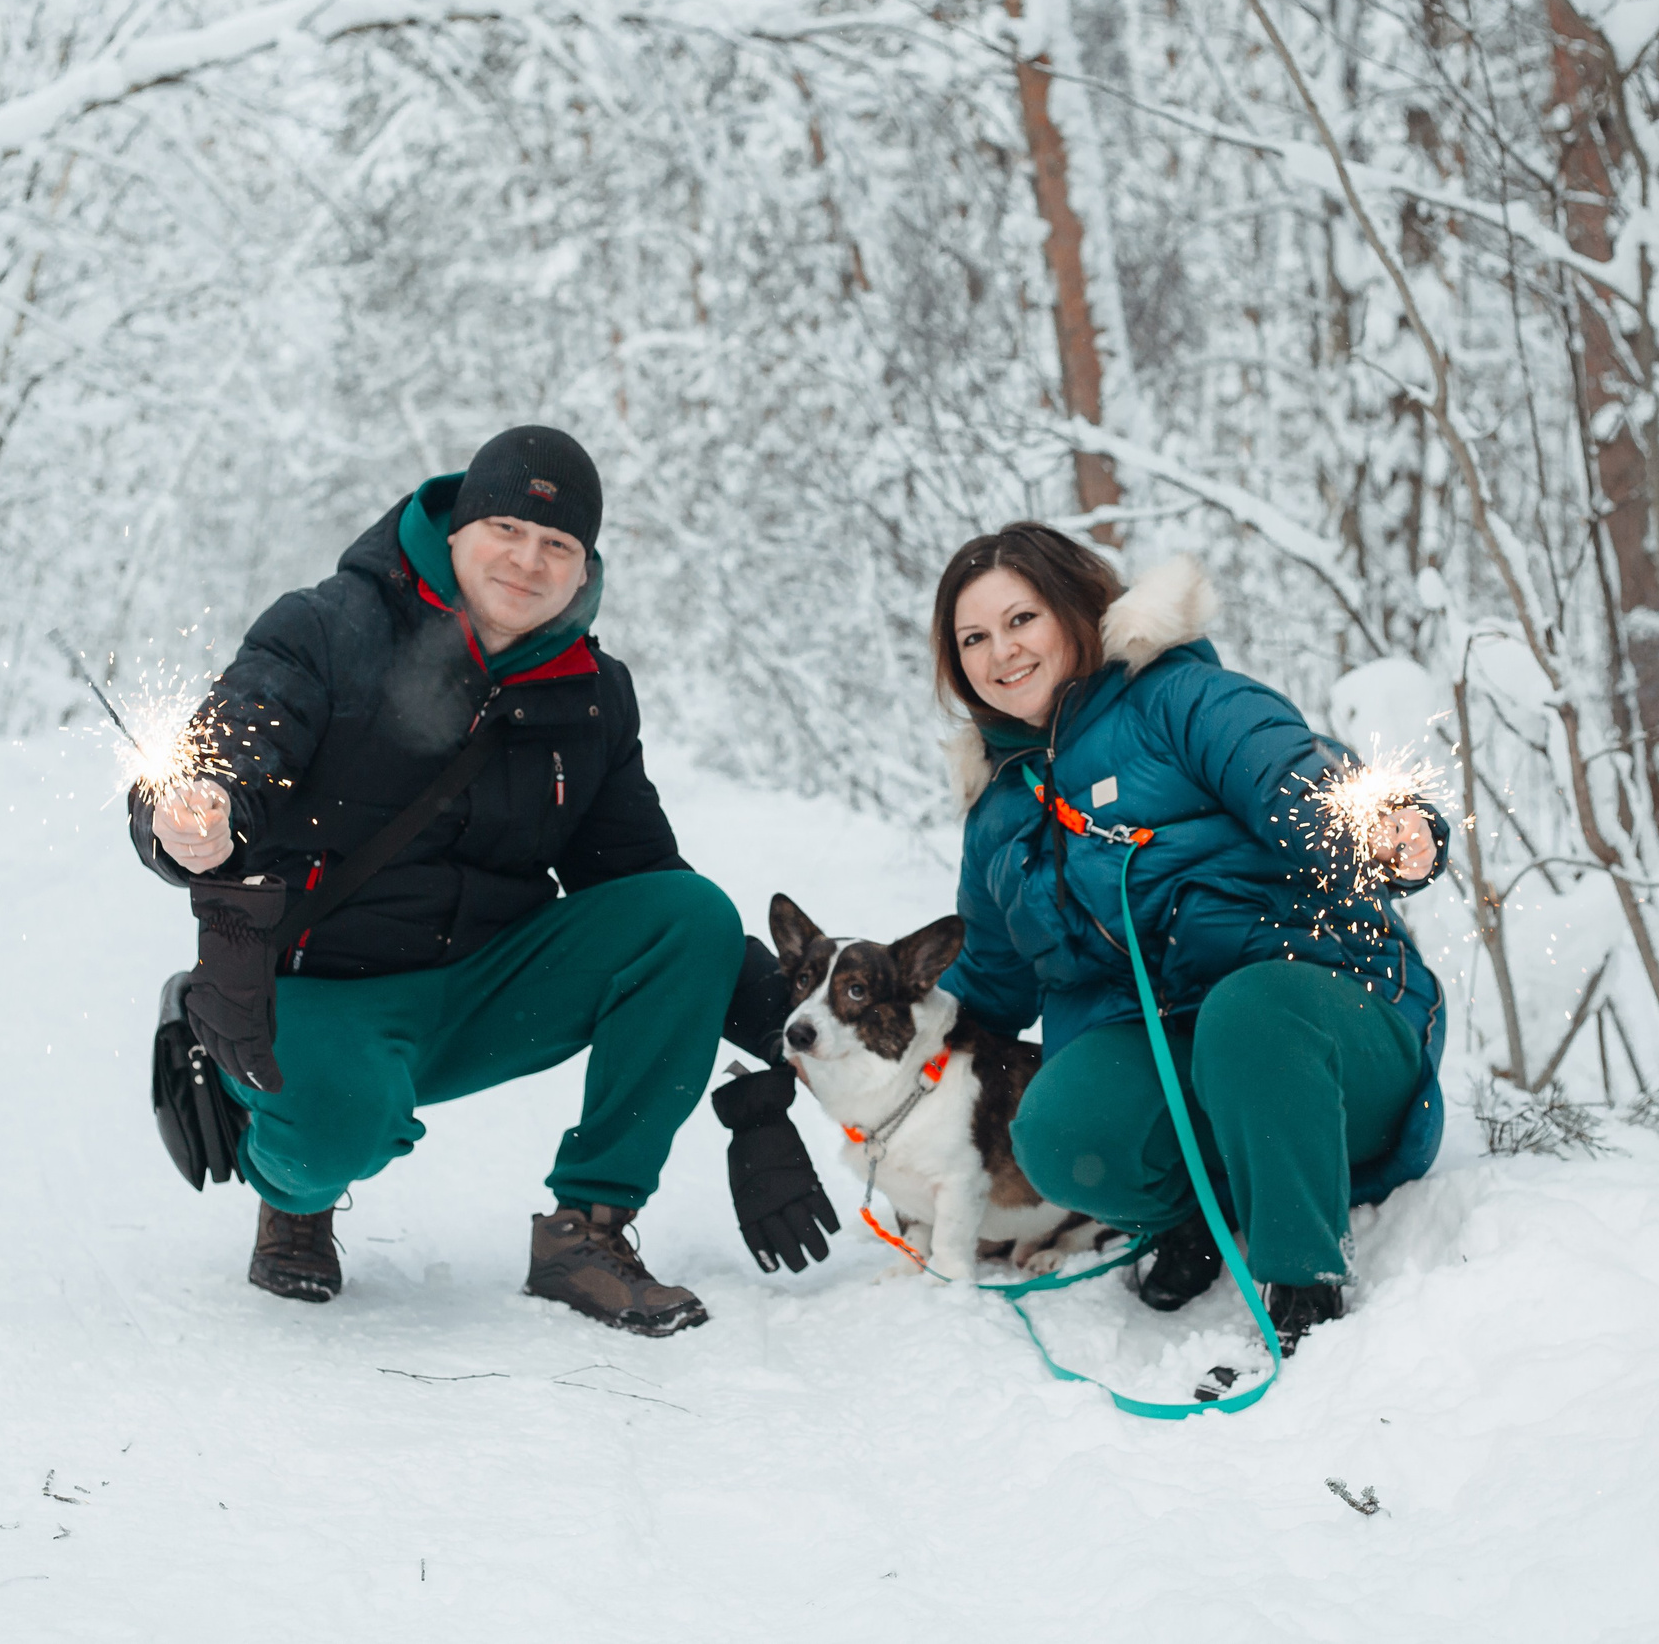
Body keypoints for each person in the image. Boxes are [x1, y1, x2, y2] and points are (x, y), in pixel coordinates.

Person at [130, 426, 837, 1334]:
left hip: (483, 988)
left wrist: (790, 1050)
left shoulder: (589, 693)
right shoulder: (327, 628)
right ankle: (291, 1190)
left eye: (558, 544)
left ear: (584, 570)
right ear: (455, 527)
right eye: (506, 526)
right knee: (331, 1125)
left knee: (686, 914)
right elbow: (233, 740)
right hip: (328, 990)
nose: (527, 559)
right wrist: (197, 811)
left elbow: (642, 885)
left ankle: (589, 1227)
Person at [929, 522, 1448, 1357]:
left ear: (1074, 610)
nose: (1002, 652)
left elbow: (1291, 774)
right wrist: (845, 1007)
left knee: (1249, 1011)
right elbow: (985, 985)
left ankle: (1302, 1280)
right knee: (1056, 1122)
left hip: (1336, 1037)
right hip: (1188, 1060)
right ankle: (1197, 1212)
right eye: (975, 638)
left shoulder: (1180, 700)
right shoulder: (1000, 813)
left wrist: (1375, 825)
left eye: (1021, 619)